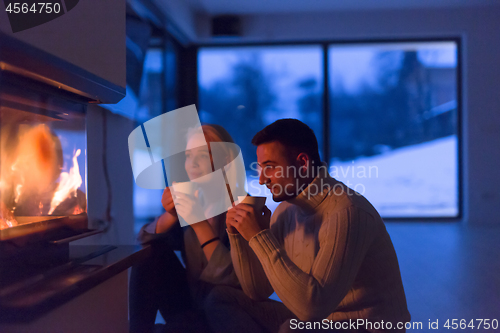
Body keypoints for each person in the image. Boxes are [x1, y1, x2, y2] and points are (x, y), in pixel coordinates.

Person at [206, 119, 410, 333]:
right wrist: (238, 235)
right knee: (222, 297)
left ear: (303, 163)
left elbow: (312, 309)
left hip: (369, 328)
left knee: (292, 329)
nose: (262, 179)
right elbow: (257, 291)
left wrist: (260, 237)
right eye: (260, 168)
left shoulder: (348, 212)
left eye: (270, 167)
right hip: (318, 323)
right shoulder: (286, 210)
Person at [129, 124, 242, 333]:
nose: (193, 164)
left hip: (228, 312)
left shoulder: (241, 208)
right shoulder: (191, 200)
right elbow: (143, 241)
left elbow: (232, 279)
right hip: (192, 303)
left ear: (226, 161)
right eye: (189, 156)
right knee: (150, 255)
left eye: (203, 155)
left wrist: (198, 222)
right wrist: (170, 215)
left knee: (181, 327)